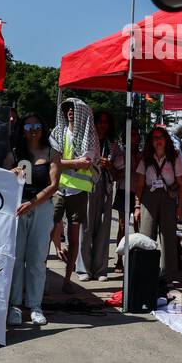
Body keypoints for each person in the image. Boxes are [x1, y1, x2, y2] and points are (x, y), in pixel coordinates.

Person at [7, 112, 60, 327]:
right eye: (28, 127)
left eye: (36, 125)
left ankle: (35, 306)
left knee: (37, 259)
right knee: (17, 259)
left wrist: (33, 203)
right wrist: (9, 172)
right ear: (21, 131)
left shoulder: (51, 153)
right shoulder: (14, 152)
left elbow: (53, 186)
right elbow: (1, 176)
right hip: (18, 209)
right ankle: (15, 306)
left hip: (41, 208)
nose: (33, 130)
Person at [49, 98, 98, 289]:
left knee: (74, 236)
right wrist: (72, 163)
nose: (70, 111)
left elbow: (86, 162)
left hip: (78, 191)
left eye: (74, 109)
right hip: (57, 188)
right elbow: (53, 160)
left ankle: (68, 280)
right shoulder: (57, 132)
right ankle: (45, 271)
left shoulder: (89, 135)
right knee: (49, 230)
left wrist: (62, 162)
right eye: (67, 108)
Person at [136, 125, 182, 279]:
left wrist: (180, 207)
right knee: (145, 236)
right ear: (151, 141)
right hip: (149, 197)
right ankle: (146, 272)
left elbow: (181, 184)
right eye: (155, 138)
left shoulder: (175, 157)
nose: (158, 141)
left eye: (161, 137)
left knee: (168, 237)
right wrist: (137, 206)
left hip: (168, 197)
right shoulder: (146, 158)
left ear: (166, 140)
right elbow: (139, 184)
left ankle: (168, 274)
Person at [79, 110, 117, 281]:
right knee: (85, 227)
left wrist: (109, 166)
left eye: (105, 122)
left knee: (103, 227)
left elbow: (119, 174)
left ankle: (100, 270)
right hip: (86, 185)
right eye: (99, 122)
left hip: (105, 187)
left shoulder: (114, 145)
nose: (102, 125)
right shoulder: (85, 142)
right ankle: (83, 269)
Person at [112, 122, 143, 269]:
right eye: (130, 135)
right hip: (124, 191)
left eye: (136, 135)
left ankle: (137, 257)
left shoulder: (143, 154)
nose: (133, 138)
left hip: (139, 192)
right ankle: (119, 259)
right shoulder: (121, 154)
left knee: (139, 225)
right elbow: (116, 175)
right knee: (123, 226)